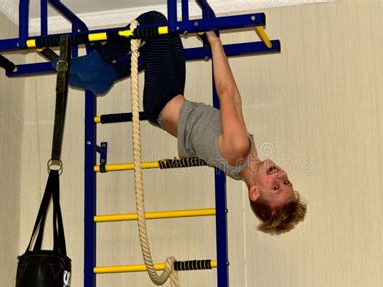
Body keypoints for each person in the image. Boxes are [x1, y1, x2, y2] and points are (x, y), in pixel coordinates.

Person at [57, 11, 306, 235]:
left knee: (154, 23)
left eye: (275, 187)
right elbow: (236, 104)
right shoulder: (243, 163)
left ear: (254, 193)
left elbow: (227, 93)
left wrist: (214, 41)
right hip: (172, 98)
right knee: (162, 37)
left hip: (162, 99)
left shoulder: (240, 148)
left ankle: (95, 62)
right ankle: (106, 77)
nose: (281, 177)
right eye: (286, 182)